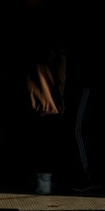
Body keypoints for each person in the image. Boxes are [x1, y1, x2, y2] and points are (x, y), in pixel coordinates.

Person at [26, 44, 66, 194]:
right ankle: (46, 182)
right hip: (53, 108)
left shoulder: (35, 61)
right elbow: (61, 82)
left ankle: (42, 182)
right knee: (50, 147)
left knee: (40, 146)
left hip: (38, 107)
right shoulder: (59, 58)